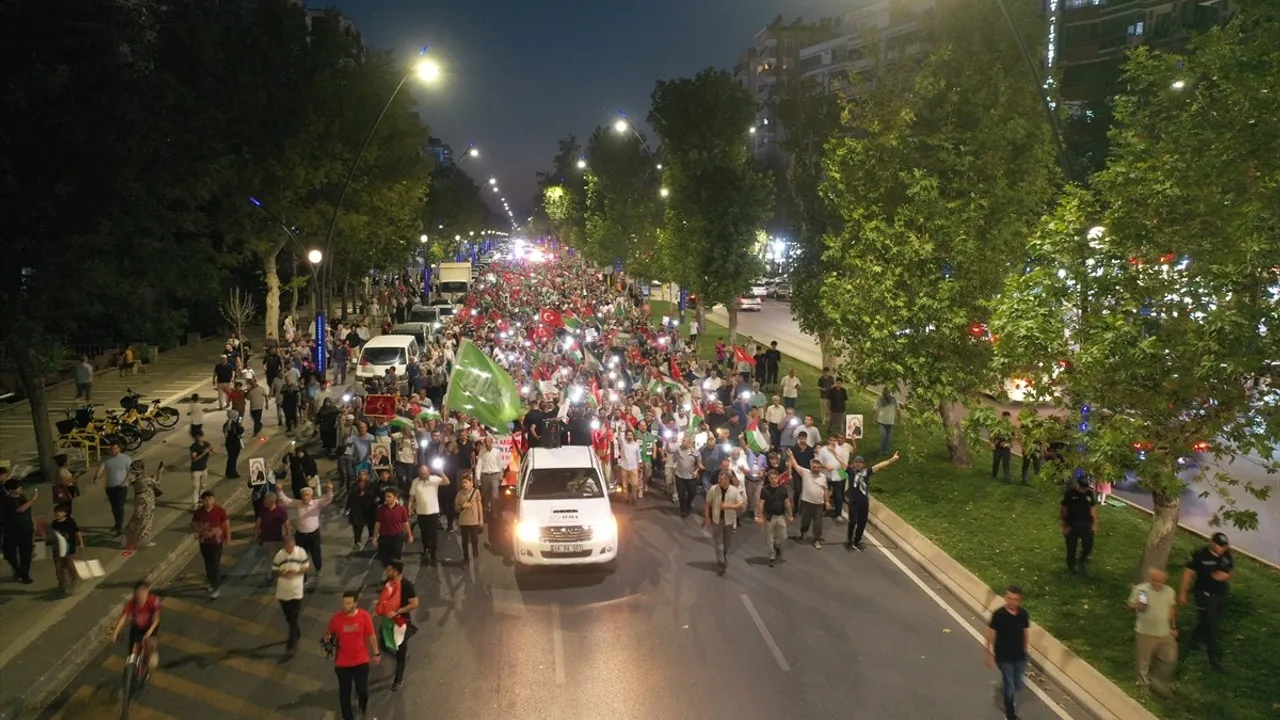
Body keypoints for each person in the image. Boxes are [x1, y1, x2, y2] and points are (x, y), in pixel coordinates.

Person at [1179, 531, 1232, 672]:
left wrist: (1224, 576)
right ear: (1212, 543)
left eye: (1224, 546)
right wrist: (1183, 592)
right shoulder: (1200, 554)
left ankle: (1194, 641)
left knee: (1207, 621)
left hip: (1220, 593)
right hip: (1204, 593)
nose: (1222, 548)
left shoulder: (1226, 555)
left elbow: (1230, 571)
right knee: (1212, 626)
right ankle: (1214, 657)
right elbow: (1187, 573)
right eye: (1220, 545)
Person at [324, 590, 380, 720]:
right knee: (345, 695)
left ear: (355, 603)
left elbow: (371, 636)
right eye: (344, 603)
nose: (345, 606)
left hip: (361, 661)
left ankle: (362, 705)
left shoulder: (364, 617)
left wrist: (376, 653)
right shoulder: (336, 619)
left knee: (363, 691)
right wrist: (327, 638)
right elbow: (329, 634)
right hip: (342, 664)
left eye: (348, 603)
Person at [1128, 567, 1178, 696]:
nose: (1158, 583)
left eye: (1160, 581)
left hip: (1165, 633)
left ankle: (1157, 679)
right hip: (1145, 632)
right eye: (1155, 580)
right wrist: (1136, 606)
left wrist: (1173, 628)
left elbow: (1172, 610)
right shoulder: (1142, 590)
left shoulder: (1169, 591)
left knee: (1170, 658)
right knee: (1143, 660)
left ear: (1165, 579)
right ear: (1150, 579)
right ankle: (1143, 684)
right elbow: (1130, 606)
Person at [276, 481, 334, 588]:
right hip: (301, 535)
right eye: (303, 495)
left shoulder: (317, 504)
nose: (305, 497)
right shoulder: (298, 504)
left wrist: (329, 490)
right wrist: (279, 490)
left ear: (311, 496)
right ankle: (304, 578)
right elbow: (286, 500)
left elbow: (328, 499)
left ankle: (318, 567)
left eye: (307, 495)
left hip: (314, 534)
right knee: (301, 557)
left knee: (316, 553)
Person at [985, 585, 1030, 720]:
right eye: (1009, 598)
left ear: (1020, 600)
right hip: (1003, 656)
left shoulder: (1023, 614)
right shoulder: (999, 615)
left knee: (1017, 683)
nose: (1012, 601)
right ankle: (1010, 714)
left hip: (1019, 655)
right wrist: (989, 652)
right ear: (1005, 598)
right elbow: (991, 633)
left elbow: (1025, 632)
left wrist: (1025, 650)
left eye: (1015, 599)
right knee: (1010, 685)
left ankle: (1003, 689)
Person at [375, 560, 419, 691]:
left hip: (400, 623)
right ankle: (400, 656)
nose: (386, 572)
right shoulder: (388, 583)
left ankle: (398, 678)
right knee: (383, 643)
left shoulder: (407, 585)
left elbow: (414, 603)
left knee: (400, 650)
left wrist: (397, 612)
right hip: (387, 622)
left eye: (389, 570)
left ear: (395, 571)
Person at [845, 452, 900, 551]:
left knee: (862, 522)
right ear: (853, 463)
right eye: (856, 462)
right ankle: (850, 538)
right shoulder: (850, 471)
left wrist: (893, 459)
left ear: (863, 464)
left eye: (860, 462)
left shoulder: (867, 472)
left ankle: (857, 541)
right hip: (853, 501)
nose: (858, 464)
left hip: (863, 502)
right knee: (853, 521)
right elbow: (839, 463)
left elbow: (879, 466)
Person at [111, 580, 161, 670]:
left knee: (151, 656)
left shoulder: (153, 601)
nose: (140, 599)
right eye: (138, 596)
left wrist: (149, 633)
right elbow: (123, 618)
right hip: (137, 628)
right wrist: (115, 632)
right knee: (132, 652)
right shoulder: (131, 604)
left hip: (150, 628)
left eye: (143, 595)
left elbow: (156, 620)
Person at [273, 533, 310, 655]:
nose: (290, 548)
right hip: (283, 591)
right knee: (288, 617)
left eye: (292, 546)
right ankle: (296, 630)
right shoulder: (279, 555)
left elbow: (306, 567)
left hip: (296, 591)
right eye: (288, 546)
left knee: (293, 617)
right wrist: (283, 573)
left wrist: (296, 571)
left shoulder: (300, 552)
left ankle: (292, 644)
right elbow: (274, 571)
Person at [786, 449, 831, 549]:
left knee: (818, 523)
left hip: (819, 504)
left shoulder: (823, 477)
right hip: (806, 502)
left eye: (818, 468)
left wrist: (827, 502)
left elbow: (826, 489)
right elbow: (796, 465)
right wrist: (791, 455)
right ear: (810, 467)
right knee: (806, 521)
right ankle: (803, 532)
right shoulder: (805, 473)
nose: (816, 469)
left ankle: (817, 539)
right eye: (814, 467)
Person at [191, 490, 230, 598]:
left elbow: (226, 523)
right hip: (204, 542)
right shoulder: (199, 512)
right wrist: (200, 529)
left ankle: (216, 587)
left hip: (217, 542)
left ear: (214, 499)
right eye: (206, 500)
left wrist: (227, 536)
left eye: (210, 499)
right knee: (208, 565)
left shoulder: (220, 510)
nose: (208, 502)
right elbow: (193, 524)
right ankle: (212, 582)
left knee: (215, 564)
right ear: (202, 501)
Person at [704, 470, 745, 574]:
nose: (719, 481)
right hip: (717, 520)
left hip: (729, 521)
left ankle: (723, 556)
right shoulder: (714, 489)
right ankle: (721, 559)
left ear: (727, 480)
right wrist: (707, 517)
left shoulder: (734, 491)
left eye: (721, 479)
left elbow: (741, 504)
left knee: (727, 542)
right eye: (719, 479)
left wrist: (729, 506)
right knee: (718, 542)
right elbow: (707, 503)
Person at [408, 465, 448, 566]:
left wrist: (441, 473)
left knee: (433, 533)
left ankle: (433, 553)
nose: (423, 475)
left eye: (425, 473)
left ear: (428, 472)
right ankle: (425, 548)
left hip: (433, 512)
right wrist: (409, 506)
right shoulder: (415, 482)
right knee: (424, 532)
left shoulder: (434, 480)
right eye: (421, 474)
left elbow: (447, 482)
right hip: (421, 512)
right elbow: (412, 495)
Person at [2, 478, 37, 584]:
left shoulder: (22, 497)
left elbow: (27, 511)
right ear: (11, 490)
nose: (20, 488)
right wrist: (33, 500)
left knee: (26, 553)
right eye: (18, 487)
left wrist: (33, 522)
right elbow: (20, 509)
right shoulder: (6, 500)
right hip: (11, 530)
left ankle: (25, 575)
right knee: (8, 553)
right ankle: (17, 569)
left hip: (26, 529)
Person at [1060, 476, 1098, 573]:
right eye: (1082, 487)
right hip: (1072, 524)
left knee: (1088, 544)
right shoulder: (1070, 493)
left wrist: (1094, 523)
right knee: (1071, 547)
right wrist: (1064, 524)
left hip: (1085, 524)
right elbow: (1063, 509)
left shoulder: (1089, 494)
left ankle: (1082, 558)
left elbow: (1092, 509)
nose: (1083, 489)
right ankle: (1071, 567)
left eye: (1085, 487)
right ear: (1078, 485)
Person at [93, 442, 132, 536]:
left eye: (114, 449)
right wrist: (96, 477)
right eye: (111, 449)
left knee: (119, 507)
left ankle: (119, 527)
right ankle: (117, 524)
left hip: (121, 487)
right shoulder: (107, 459)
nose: (112, 451)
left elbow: (130, 471)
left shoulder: (126, 459)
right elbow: (101, 468)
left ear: (119, 449)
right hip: (110, 486)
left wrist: (125, 482)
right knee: (114, 507)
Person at [124, 460, 162, 551]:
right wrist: (160, 472)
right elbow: (157, 482)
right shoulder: (145, 479)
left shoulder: (133, 477)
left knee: (137, 518)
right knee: (145, 520)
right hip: (147, 502)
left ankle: (128, 538)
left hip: (138, 500)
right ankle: (142, 541)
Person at [255, 493, 291, 584]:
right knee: (269, 558)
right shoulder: (262, 510)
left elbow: (287, 525)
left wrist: (288, 537)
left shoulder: (280, 511)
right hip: (267, 539)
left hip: (278, 539)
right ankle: (270, 575)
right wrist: (256, 534)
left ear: (271, 502)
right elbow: (258, 522)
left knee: (281, 558)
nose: (263, 502)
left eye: (265, 501)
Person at [48, 503, 84, 593]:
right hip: (57, 549)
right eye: (56, 512)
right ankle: (62, 584)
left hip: (68, 548)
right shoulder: (54, 523)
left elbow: (77, 532)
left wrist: (81, 543)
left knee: (69, 564)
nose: (57, 514)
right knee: (58, 567)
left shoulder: (70, 522)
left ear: (65, 513)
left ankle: (75, 579)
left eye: (60, 512)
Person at [373, 488, 413, 566]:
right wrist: (375, 537)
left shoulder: (401, 509)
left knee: (396, 560)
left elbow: (405, 523)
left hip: (397, 538)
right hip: (384, 537)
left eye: (389, 496)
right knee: (384, 559)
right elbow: (377, 524)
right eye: (386, 496)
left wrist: (410, 535)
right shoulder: (381, 509)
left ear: (395, 497)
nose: (387, 498)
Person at [455, 473, 484, 565]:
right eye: (463, 483)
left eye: (466, 482)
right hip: (463, 521)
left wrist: (481, 519)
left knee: (474, 539)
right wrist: (462, 506)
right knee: (464, 541)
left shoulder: (476, 492)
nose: (464, 485)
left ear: (471, 483)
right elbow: (456, 508)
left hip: (474, 520)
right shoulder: (459, 494)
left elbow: (479, 506)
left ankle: (475, 548)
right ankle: (466, 558)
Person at [346, 471, 379, 551]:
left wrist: (375, 499)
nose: (362, 476)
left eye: (364, 474)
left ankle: (371, 538)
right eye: (361, 474)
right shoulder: (355, 485)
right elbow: (351, 496)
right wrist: (348, 507)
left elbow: (376, 495)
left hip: (369, 508)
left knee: (371, 524)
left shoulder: (372, 485)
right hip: (358, 509)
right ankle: (357, 541)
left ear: (367, 476)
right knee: (357, 526)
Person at [189, 431, 213, 509]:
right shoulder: (193, 447)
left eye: (200, 437)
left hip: (204, 468)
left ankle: (201, 500)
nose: (199, 439)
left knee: (203, 486)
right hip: (196, 470)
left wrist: (210, 451)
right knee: (196, 487)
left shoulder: (206, 444)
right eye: (197, 437)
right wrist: (204, 453)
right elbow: (194, 459)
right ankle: (194, 504)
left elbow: (211, 449)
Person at [991, 410, 1014, 483]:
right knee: (996, 462)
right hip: (997, 448)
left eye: (1007, 418)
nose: (1006, 419)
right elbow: (992, 435)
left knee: (1006, 464)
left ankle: (1007, 480)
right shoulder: (997, 425)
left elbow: (1012, 439)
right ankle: (994, 475)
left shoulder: (1011, 427)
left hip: (1006, 449)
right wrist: (993, 443)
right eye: (1005, 417)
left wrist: (1007, 443)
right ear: (1002, 417)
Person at [876, 388, 898, 454]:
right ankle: (882, 449)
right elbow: (874, 409)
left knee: (888, 437)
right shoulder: (880, 399)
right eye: (885, 392)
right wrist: (873, 419)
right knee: (883, 436)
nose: (886, 394)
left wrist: (899, 418)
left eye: (888, 392)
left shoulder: (894, 400)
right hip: (881, 422)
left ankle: (886, 449)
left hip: (890, 422)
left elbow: (898, 409)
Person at [224, 411, 244, 479]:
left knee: (230, 458)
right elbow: (240, 431)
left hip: (228, 442)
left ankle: (228, 471)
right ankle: (231, 473)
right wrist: (241, 426)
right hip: (234, 443)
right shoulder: (234, 424)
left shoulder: (227, 423)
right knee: (233, 459)